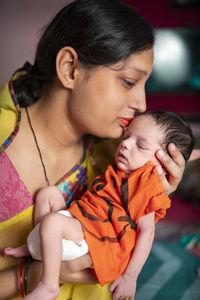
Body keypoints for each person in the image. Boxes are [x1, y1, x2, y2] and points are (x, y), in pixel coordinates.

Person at [0, 0, 192, 299]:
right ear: (69, 69)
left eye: (144, 85)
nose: (142, 103)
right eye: (128, 81)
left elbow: (130, 226)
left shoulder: (116, 156)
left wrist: (157, 194)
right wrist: (33, 276)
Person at [3, 110, 194, 300]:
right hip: (81, 222)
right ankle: (39, 248)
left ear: (162, 163)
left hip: (96, 239)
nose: (125, 144)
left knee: (53, 223)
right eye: (126, 136)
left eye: (141, 145)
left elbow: (147, 232)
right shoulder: (121, 173)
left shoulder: (146, 188)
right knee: (48, 194)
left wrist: (130, 276)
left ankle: (49, 286)